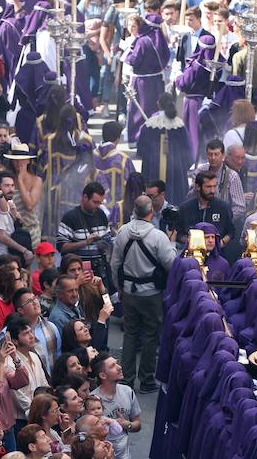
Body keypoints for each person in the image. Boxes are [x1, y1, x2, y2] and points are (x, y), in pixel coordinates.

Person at [110, 196, 176, 393]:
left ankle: (127, 378)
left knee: (130, 334)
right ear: (151, 212)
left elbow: (115, 264)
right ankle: (146, 380)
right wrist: (171, 243)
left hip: (129, 291)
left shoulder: (122, 232)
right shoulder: (158, 237)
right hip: (152, 293)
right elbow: (172, 264)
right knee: (150, 335)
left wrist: (119, 288)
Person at [90, 354, 140, 459]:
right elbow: (89, 435)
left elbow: (137, 424)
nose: (119, 367)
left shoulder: (128, 391)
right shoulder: (92, 400)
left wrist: (127, 424)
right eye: (112, 366)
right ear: (103, 375)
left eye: (117, 363)